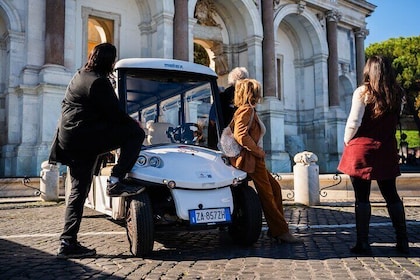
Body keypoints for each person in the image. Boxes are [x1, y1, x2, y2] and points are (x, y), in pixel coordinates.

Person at [49, 43, 146, 258]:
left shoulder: (80, 74)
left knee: (78, 191)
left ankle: (67, 242)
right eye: (113, 61)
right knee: (135, 134)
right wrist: (136, 124)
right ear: (108, 62)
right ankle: (116, 180)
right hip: (83, 139)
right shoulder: (99, 83)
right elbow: (117, 115)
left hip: (71, 139)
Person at [337, 55, 409, 255]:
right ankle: (402, 241)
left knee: (362, 198)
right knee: (392, 195)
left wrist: (346, 140)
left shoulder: (363, 92)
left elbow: (354, 122)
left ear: (370, 70)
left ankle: (363, 243)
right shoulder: (398, 93)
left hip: (362, 148)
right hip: (386, 148)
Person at [229, 78, 302, 244]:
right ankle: (281, 231)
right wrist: (258, 151)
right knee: (268, 195)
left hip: (255, 160)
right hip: (253, 160)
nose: (259, 94)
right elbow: (240, 136)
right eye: (256, 91)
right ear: (251, 93)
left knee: (275, 189)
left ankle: (276, 229)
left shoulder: (247, 110)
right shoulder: (246, 110)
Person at [208, 67, 249, 149]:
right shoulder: (246, 100)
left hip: (221, 143)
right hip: (239, 145)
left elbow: (212, 121)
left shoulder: (221, 97)